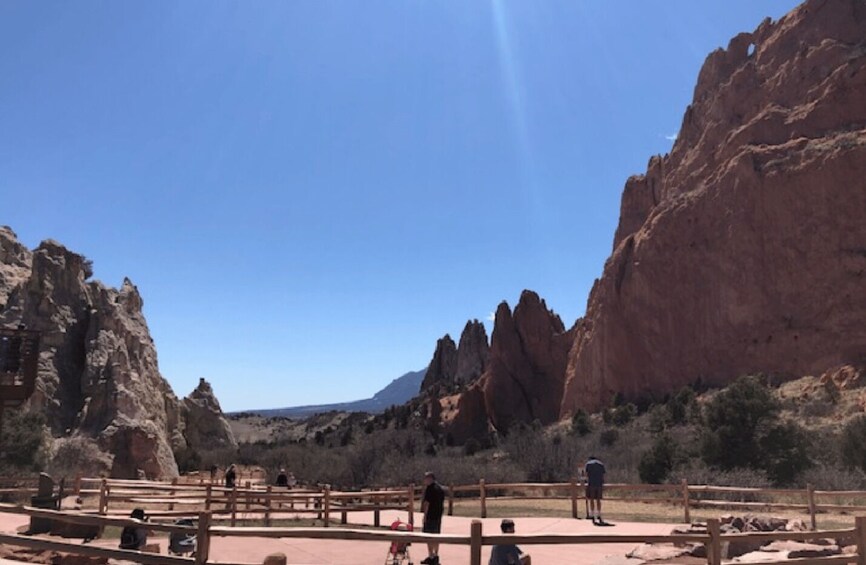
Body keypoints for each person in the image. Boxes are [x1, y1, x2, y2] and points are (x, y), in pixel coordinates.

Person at [421, 471, 445, 565]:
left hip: (431, 516)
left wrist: (425, 516)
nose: (425, 480)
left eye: (426, 478)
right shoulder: (440, 488)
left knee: (429, 536)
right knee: (436, 535)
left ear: (430, 478)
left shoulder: (429, 489)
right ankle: (436, 555)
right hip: (438, 515)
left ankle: (431, 556)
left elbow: (427, 503)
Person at [585, 455, 606, 525]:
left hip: (591, 484)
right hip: (599, 484)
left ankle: (592, 514)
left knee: (591, 499)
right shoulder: (601, 464)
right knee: (598, 500)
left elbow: (586, 474)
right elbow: (603, 475)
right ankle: (599, 514)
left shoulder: (588, 464)